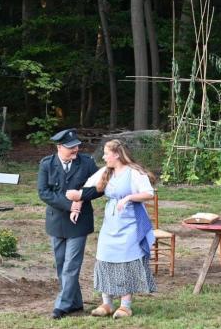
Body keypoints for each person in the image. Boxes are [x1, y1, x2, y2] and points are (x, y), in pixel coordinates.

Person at [67, 139, 157, 319]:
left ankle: (125, 306)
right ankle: (106, 303)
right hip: (110, 225)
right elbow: (87, 189)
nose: (103, 156)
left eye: (106, 153)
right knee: (105, 259)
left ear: (116, 154)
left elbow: (149, 193)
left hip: (130, 224)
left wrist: (129, 197)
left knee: (126, 262)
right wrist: (77, 203)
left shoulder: (134, 173)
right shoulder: (106, 172)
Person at [37, 128, 100, 319]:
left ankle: (61, 306)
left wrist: (80, 198)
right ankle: (75, 303)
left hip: (79, 222)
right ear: (59, 147)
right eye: (71, 147)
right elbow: (43, 192)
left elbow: (100, 187)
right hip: (56, 221)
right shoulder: (47, 164)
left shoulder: (87, 163)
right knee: (61, 264)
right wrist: (70, 204)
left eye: (77, 146)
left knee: (71, 265)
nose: (76, 150)